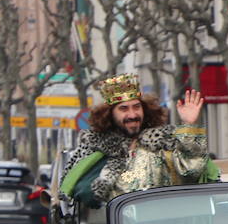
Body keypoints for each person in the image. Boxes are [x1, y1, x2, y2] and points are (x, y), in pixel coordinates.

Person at [60, 74, 210, 207]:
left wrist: (189, 125)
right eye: (124, 109)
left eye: (136, 107)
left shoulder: (163, 145)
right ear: (109, 115)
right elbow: (83, 194)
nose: (132, 114)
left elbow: (192, 170)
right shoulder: (95, 149)